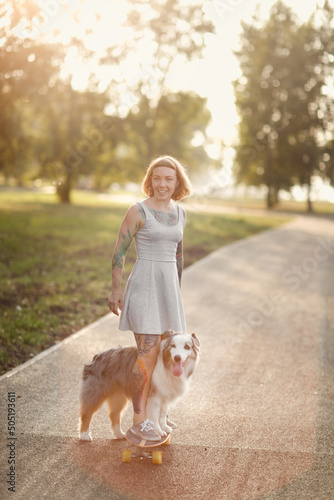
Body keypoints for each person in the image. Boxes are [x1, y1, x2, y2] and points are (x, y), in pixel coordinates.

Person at [108, 155, 191, 441]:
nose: (162, 184)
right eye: (157, 178)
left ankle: (159, 416)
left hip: (169, 288)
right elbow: (119, 251)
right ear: (149, 180)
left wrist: (177, 292)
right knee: (147, 357)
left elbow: (178, 255)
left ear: (177, 182)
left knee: (164, 356)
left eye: (168, 178)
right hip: (144, 285)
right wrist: (115, 289)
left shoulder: (180, 213)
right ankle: (139, 421)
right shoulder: (138, 210)